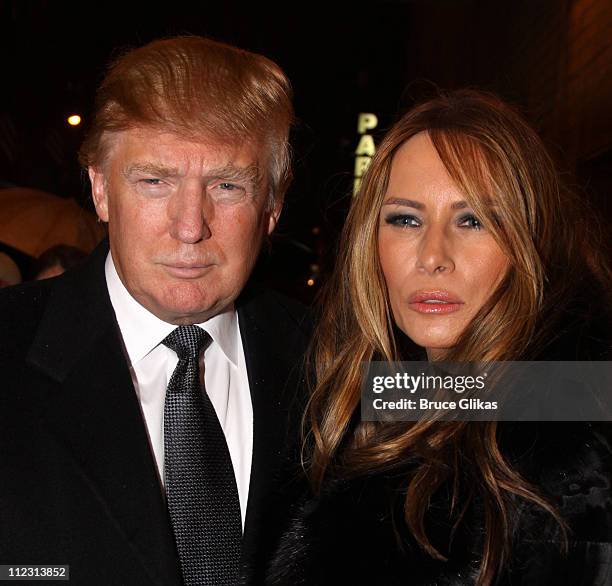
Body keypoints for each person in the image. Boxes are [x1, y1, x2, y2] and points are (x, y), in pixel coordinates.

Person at [0, 36, 311, 585]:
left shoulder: (337, 357)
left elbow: (503, 396)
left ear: (272, 209)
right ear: (99, 190)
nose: (190, 225)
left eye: (228, 185)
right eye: (154, 181)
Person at [268, 91, 612, 585]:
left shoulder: (574, 449)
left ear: (531, 239)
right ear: (372, 240)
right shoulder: (377, 398)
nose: (433, 256)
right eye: (405, 219)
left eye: (473, 220)